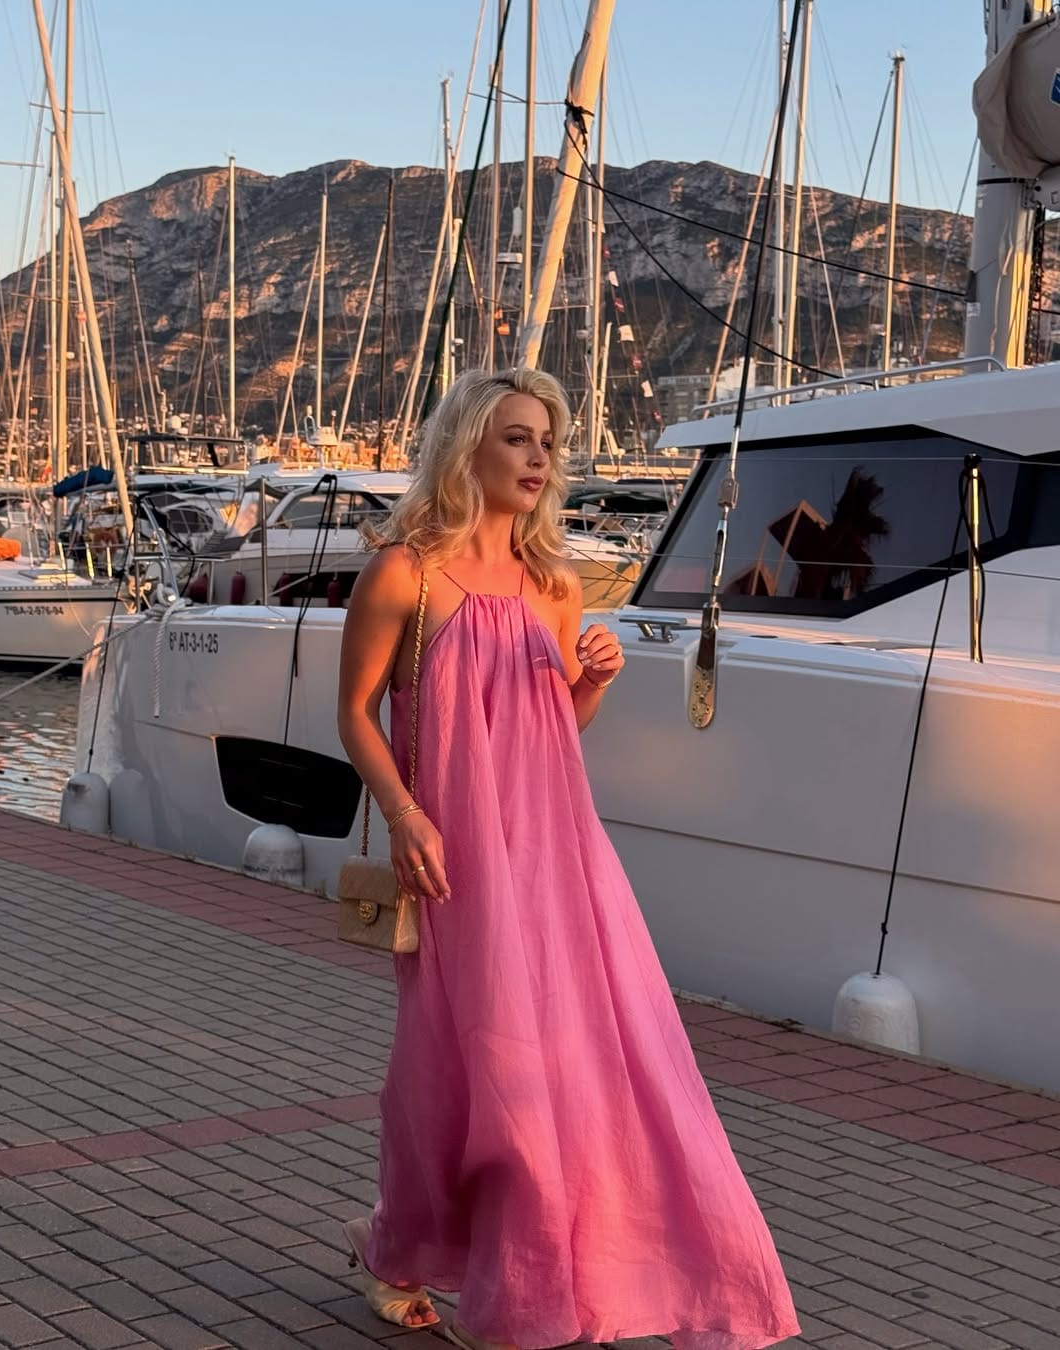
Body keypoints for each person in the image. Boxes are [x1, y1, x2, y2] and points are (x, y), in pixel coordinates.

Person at [336, 368, 799, 1350]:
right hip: (457, 859)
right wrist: (406, 813)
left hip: (557, 850)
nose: (538, 457)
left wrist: (589, 682)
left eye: (547, 440)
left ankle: (533, 1284)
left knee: (583, 1060)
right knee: (453, 1073)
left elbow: (552, 733)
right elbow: (355, 715)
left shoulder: (556, 584)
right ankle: (399, 1249)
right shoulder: (406, 573)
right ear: (469, 447)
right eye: (516, 437)